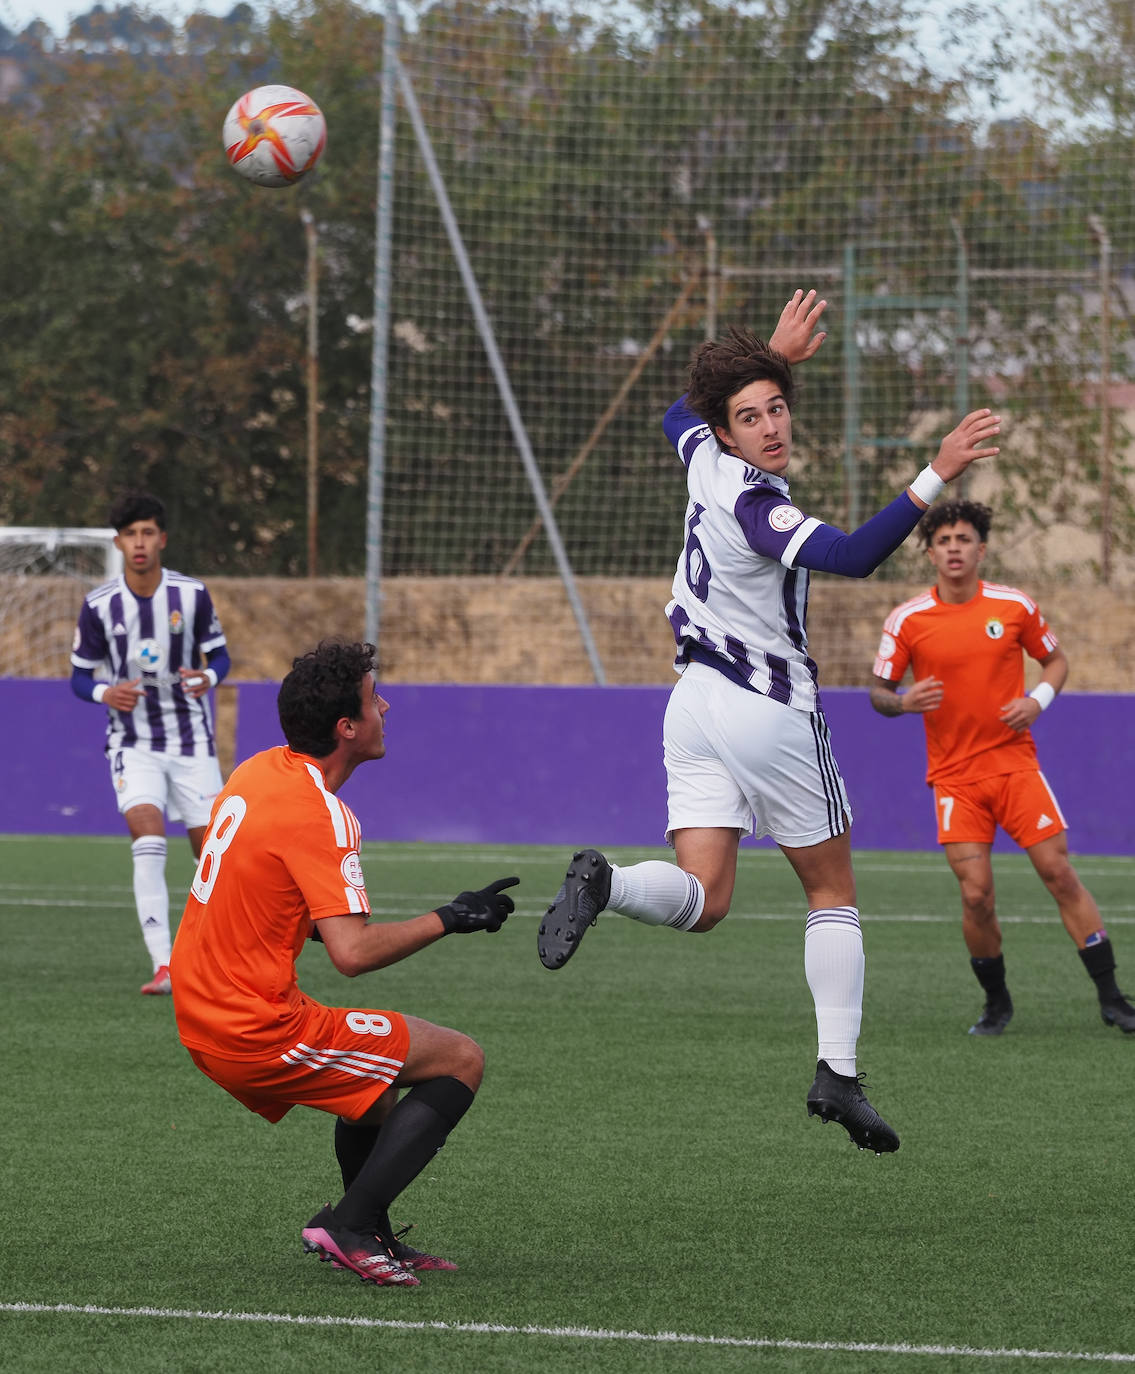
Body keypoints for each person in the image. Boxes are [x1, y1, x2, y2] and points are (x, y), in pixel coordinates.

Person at [537, 289, 1003, 1155]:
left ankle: (607, 884)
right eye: (749, 416)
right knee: (831, 892)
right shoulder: (755, 503)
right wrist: (935, 470)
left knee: (705, 900)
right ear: (728, 434)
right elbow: (855, 556)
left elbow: (678, 409)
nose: (769, 427)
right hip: (765, 710)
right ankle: (838, 1072)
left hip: (691, 707)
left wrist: (772, 358)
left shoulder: (698, 454)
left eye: (776, 408)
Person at [170, 639, 518, 1287]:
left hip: (199, 1010)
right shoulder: (323, 814)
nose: (385, 705)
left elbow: (254, 897)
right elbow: (351, 954)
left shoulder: (254, 772)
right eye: (372, 698)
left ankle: (373, 1232)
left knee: (377, 1094)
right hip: (250, 1027)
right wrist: (452, 916)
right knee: (459, 1059)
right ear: (346, 728)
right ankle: (349, 1225)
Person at [869, 499, 1135, 1037]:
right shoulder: (907, 619)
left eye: (963, 539)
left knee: (1058, 873)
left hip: (1015, 769)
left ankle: (1112, 998)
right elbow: (877, 693)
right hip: (955, 779)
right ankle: (997, 1004)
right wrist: (902, 700)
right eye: (943, 542)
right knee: (976, 895)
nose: (954, 549)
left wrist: (1037, 700)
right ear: (929, 553)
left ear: (981, 548)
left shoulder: (1014, 606)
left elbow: (1056, 661)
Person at [70, 490, 231, 995]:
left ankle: (220, 959)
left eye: (147, 533)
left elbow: (221, 658)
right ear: (118, 543)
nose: (139, 544)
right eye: (130, 535)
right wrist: (103, 691)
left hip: (191, 744)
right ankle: (165, 964)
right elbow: (77, 677)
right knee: (148, 835)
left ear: (161, 539)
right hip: (132, 742)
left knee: (214, 857)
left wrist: (207, 679)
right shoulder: (99, 605)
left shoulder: (192, 595)